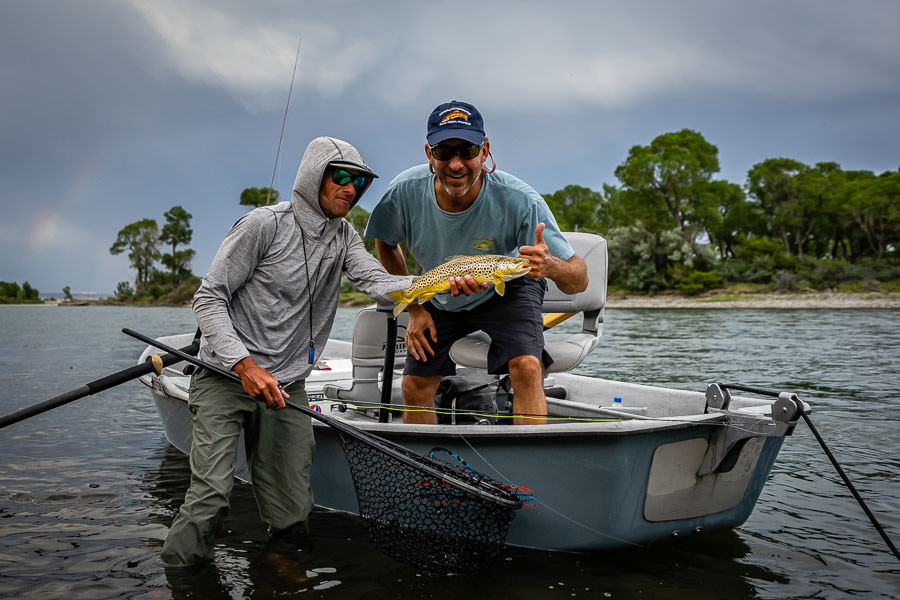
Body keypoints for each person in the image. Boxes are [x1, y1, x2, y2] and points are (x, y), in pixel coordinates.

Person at [161, 136, 414, 570]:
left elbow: (378, 282)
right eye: (341, 177)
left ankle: (282, 574)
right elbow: (208, 298)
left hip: (287, 385)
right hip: (226, 377)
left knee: (294, 507)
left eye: (359, 182)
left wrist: (442, 283)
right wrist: (245, 365)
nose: (350, 188)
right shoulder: (263, 225)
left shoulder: (344, 236)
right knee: (211, 495)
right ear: (314, 176)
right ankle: (178, 579)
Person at [364, 101, 588, 426]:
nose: (456, 164)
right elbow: (385, 242)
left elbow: (579, 279)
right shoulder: (403, 191)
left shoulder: (521, 200)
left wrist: (551, 266)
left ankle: (528, 454)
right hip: (440, 288)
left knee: (527, 367)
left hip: (508, 285)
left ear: (484, 151)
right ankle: (424, 458)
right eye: (444, 152)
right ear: (429, 154)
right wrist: (414, 308)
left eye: (467, 151)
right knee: (414, 384)